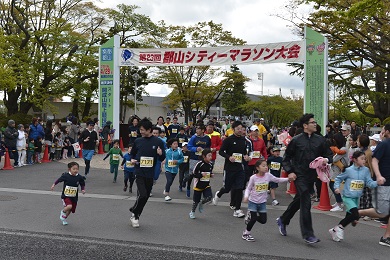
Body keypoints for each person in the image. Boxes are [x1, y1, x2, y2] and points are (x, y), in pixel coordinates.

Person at [276, 113, 333, 244]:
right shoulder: (296, 140)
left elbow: (329, 155)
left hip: (312, 175)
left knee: (299, 200)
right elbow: (286, 158)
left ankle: (283, 220)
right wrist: (290, 172)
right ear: (305, 125)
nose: (315, 124)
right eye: (312, 122)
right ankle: (308, 234)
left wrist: (325, 159)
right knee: (306, 200)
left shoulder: (320, 140)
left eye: (315, 122)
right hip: (298, 175)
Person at [329, 151, 378, 242]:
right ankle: (338, 228)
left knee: (351, 217)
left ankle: (334, 230)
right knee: (356, 214)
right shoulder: (348, 170)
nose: (364, 161)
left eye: (365, 159)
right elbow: (338, 179)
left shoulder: (366, 170)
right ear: (355, 160)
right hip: (348, 197)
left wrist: (377, 182)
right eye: (362, 159)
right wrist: (336, 187)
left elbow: (369, 183)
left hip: (357, 198)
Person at [129, 118, 166, 228]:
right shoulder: (138, 141)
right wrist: (132, 159)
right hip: (139, 171)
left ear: (149, 130)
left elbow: (163, 157)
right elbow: (132, 154)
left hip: (150, 172)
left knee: (145, 197)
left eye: (143, 130)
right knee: (142, 194)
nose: (141, 131)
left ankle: (135, 212)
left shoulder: (158, 141)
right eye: (140, 129)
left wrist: (160, 154)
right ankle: (135, 215)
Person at [242, 159, 289, 241]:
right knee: (253, 219)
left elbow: (277, 179)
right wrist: (246, 196)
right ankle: (246, 233)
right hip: (253, 201)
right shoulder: (253, 178)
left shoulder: (268, 176)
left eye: (266, 165)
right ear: (257, 168)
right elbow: (248, 188)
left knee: (263, 220)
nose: (266, 167)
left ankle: (250, 217)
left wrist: (288, 179)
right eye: (263, 166)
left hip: (262, 202)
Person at [358, 124, 390, 247]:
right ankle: (358, 213)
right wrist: (378, 176)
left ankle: (386, 237)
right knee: (381, 212)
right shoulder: (384, 144)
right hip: (384, 182)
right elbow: (374, 160)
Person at [213, 121, 250, 218]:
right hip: (229, 168)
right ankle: (219, 194)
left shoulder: (244, 140)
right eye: (238, 129)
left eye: (241, 129)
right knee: (227, 188)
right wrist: (229, 157)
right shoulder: (228, 140)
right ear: (233, 129)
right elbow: (221, 151)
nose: (240, 130)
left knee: (239, 188)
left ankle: (237, 209)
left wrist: (246, 157)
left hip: (239, 168)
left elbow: (244, 153)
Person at [187, 124, 211, 198]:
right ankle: (188, 187)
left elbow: (208, 147)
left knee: (202, 174)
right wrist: (196, 149)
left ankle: (201, 190)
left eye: (198, 129)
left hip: (202, 159)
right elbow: (189, 146)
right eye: (196, 129)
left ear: (203, 130)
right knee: (192, 174)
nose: (197, 131)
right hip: (194, 158)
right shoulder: (193, 137)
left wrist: (207, 153)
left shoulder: (207, 138)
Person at [189, 148, 214, 219]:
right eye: (209, 156)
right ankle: (192, 212)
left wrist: (211, 175)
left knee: (209, 198)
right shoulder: (199, 164)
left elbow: (209, 172)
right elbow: (194, 174)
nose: (210, 157)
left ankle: (202, 203)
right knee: (195, 201)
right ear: (204, 156)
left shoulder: (211, 164)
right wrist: (201, 175)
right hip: (198, 185)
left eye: (211, 156)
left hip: (206, 184)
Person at [329, 133, 349, 212]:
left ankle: (339, 204)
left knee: (333, 185)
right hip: (337, 170)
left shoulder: (343, 149)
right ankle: (339, 202)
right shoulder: (339, 148)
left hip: (340, 171)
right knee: (332, 185)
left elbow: (334, 159)